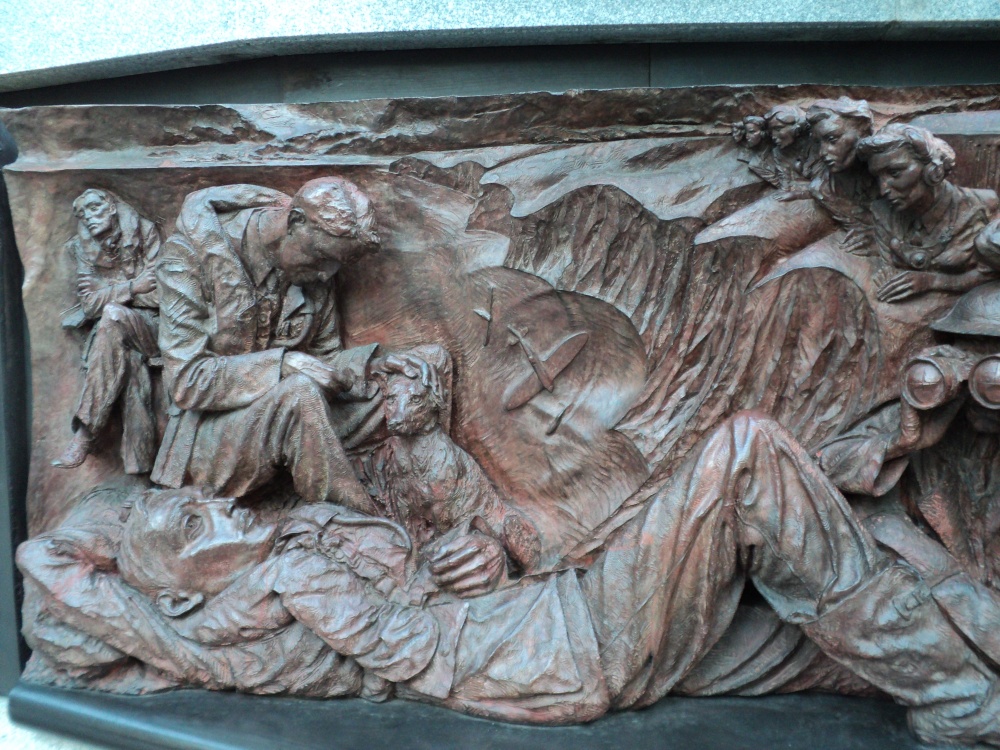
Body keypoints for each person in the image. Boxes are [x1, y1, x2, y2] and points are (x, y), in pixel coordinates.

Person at [18, 411, 1000, 744]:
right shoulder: (269, 595)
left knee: (847, 612)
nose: (225, 505)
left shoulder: (274, 559)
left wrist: (491, 549)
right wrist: (104, 560)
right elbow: (42, 564)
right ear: (178, 592)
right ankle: (963, 700)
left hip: (554, 619)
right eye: (194, 522)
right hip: (570, 650)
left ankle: (967, 669)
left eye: (207, 497)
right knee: (746, 456)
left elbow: (425, 593)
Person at [151, 178, 437, 516]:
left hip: (298, 417)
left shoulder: (316, 269)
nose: (324, 275)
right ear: (295, 221)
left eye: (335, 265)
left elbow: (323, 360)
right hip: (210, 440)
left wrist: (375, 366)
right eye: (320, 259)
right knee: (299, 393)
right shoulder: (187, 259)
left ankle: (430, 497)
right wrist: (282, 365)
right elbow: (187, 381)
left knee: (425, 365)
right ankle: (364, 521)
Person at [53, 189, 161, 473]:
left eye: (95, 209)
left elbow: (161, 293)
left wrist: (110, 295)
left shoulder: (144, 232)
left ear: (112, 208)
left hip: (154, 329)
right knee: (130, 364)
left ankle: (86, 434)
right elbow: (89, 305)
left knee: (112, 315)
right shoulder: (82, 248)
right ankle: (140, 475)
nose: (89, 218)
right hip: (114, 337)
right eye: (83, 214)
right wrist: (133, 287)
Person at [856, 123, 999, 303]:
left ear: (933, 170)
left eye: (894, 172)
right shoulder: (882, 212)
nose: (883, 189)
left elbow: (993, 273)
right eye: (878, 177)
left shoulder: (982, 206)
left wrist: (933, 281)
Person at [803, 97, 878, 248]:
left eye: (832, 139)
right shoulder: (824, 189)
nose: (823, 152)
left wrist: (883, 239)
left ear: (863, 130)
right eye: (818, 143)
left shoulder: (894, 173)